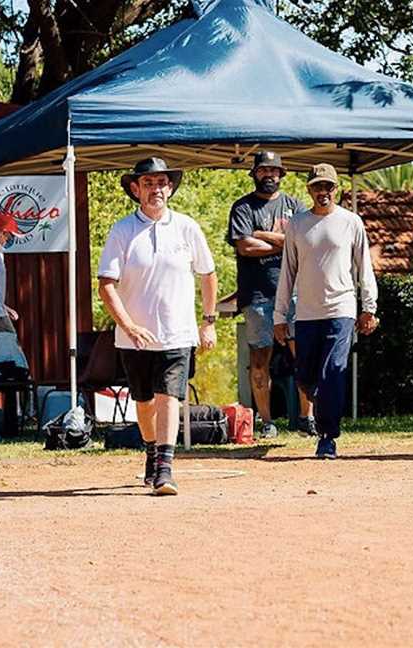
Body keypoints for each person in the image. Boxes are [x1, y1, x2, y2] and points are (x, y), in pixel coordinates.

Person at [98, 157, 217, 496]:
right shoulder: (122, 230)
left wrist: (208, 322)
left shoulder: (187, 227)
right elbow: (106, 284)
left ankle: (165, 469)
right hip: (134, 338)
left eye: (162, 183)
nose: (156, 190)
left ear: (170, 188)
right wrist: (130, 326)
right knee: (145, 401)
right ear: (136, 190)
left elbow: (208, 274)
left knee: (169, 396)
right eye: (148, 184)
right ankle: (151, 450)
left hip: (178, 333)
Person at [273, 163, 378, 459]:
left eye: (328, 187)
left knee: (333, 372)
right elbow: (287, 272)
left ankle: (327, 436)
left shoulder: (351, 222)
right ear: (309, 190)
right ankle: (320, 401)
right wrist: (280, 316)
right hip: (306, 313)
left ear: (337, 190)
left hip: (341, 309)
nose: (323, 192)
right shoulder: (297, 224)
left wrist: (368, 307)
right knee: (306, 377)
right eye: (317, 187)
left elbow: (364, 268)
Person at [227, 151, 314, 439]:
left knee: (303, 357)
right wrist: (284, 243)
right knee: (259, 361)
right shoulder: (242, 207)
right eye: (264, 170)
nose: (269, 175)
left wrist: (262, 234)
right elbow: (244, 248)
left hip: (296, 294)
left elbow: (303, 241)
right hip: (258, 296)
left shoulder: (295, 207)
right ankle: (266, 422)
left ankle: (306, 418)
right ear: (254, 173)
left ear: (282, 175)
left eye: (274, 171)